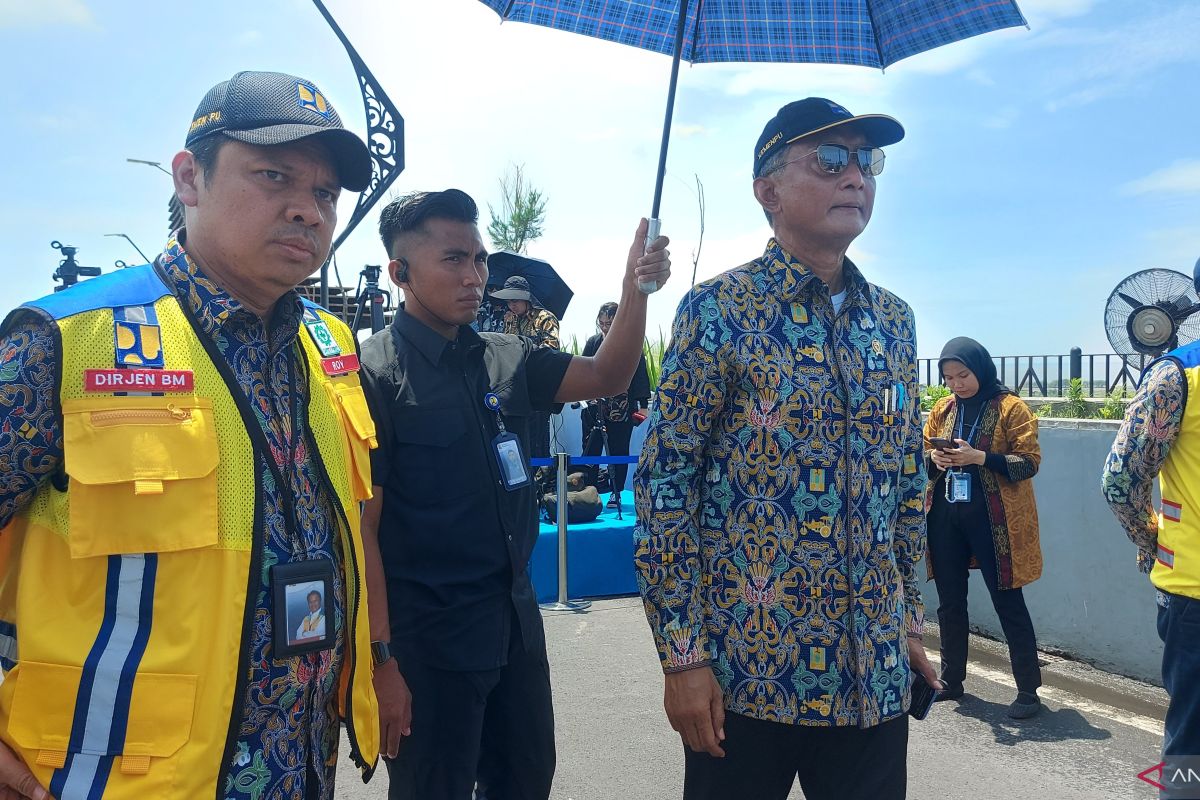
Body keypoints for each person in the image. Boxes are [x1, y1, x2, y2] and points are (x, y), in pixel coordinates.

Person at [0, 71, 385, 800]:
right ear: (190, 179)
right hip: (114, 781)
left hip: (298, 768)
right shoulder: (68, 342)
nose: (306, 210)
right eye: (274, 176)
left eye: (326, 194)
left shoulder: (328, 347)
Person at [633, 97, 939, 800]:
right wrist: (682, 660)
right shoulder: (719, 309)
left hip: (873, 683)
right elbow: (666, 484)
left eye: (867, 161)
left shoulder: (894, 321)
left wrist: (909, 627)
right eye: (830, 160)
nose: (855, 177)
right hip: (747, 684)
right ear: (768, 190)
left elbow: (904, 489)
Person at [358, 189, 670, 800]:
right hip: (432, 646)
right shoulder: (374, 374)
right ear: (400, 273)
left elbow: (605, 374)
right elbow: (365, 529)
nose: (475, 276)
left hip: (514, 628)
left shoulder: (506, 356)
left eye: (478, 259)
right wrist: (381, 660)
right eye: (453, 260)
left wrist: (635, 288)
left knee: (526, 781)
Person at [1103, 264, 1200, 797]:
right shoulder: (1179, 375)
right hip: (1193, 597)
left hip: (1190, 588)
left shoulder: (1174, 376)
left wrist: (1149, 543)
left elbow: (1120, 482)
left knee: (1191, 751)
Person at [924, 337, 1044, 718]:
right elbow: (922, 456)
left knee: (1008, 601)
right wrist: (935, 459)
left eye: (963, 374)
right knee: (949, 602)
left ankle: (1028, 690)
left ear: (981, 368)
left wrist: (980, 457)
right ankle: (952, 679)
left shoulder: (1012, 408)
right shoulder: (943, 409)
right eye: (949, 377)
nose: (957, 384)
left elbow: (1029, 462)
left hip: (996, 522)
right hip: (946, 516)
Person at [581, 301, 651, 507]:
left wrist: (643, 405)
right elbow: (581, 370)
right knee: (590, 450)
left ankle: (616, 492)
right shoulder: (593, 342)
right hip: (595, 408)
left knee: (619, 451)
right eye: (602, 323)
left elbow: (640, 376)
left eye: (609, 323)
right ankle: (589, 492)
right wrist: (585, 395)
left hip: (621, 409)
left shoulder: (631, 344)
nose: (605, 327)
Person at [491, 275, 561, 458]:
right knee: (519, 439)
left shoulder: (545, 318)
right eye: (508, 301)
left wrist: (525, 346)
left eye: (514, 300)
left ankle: (542, 482)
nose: (511, 305)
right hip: (515, 389)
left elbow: (552, 351)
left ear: (525, 298)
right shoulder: (510, 320)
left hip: (537, 385)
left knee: (538, 440)